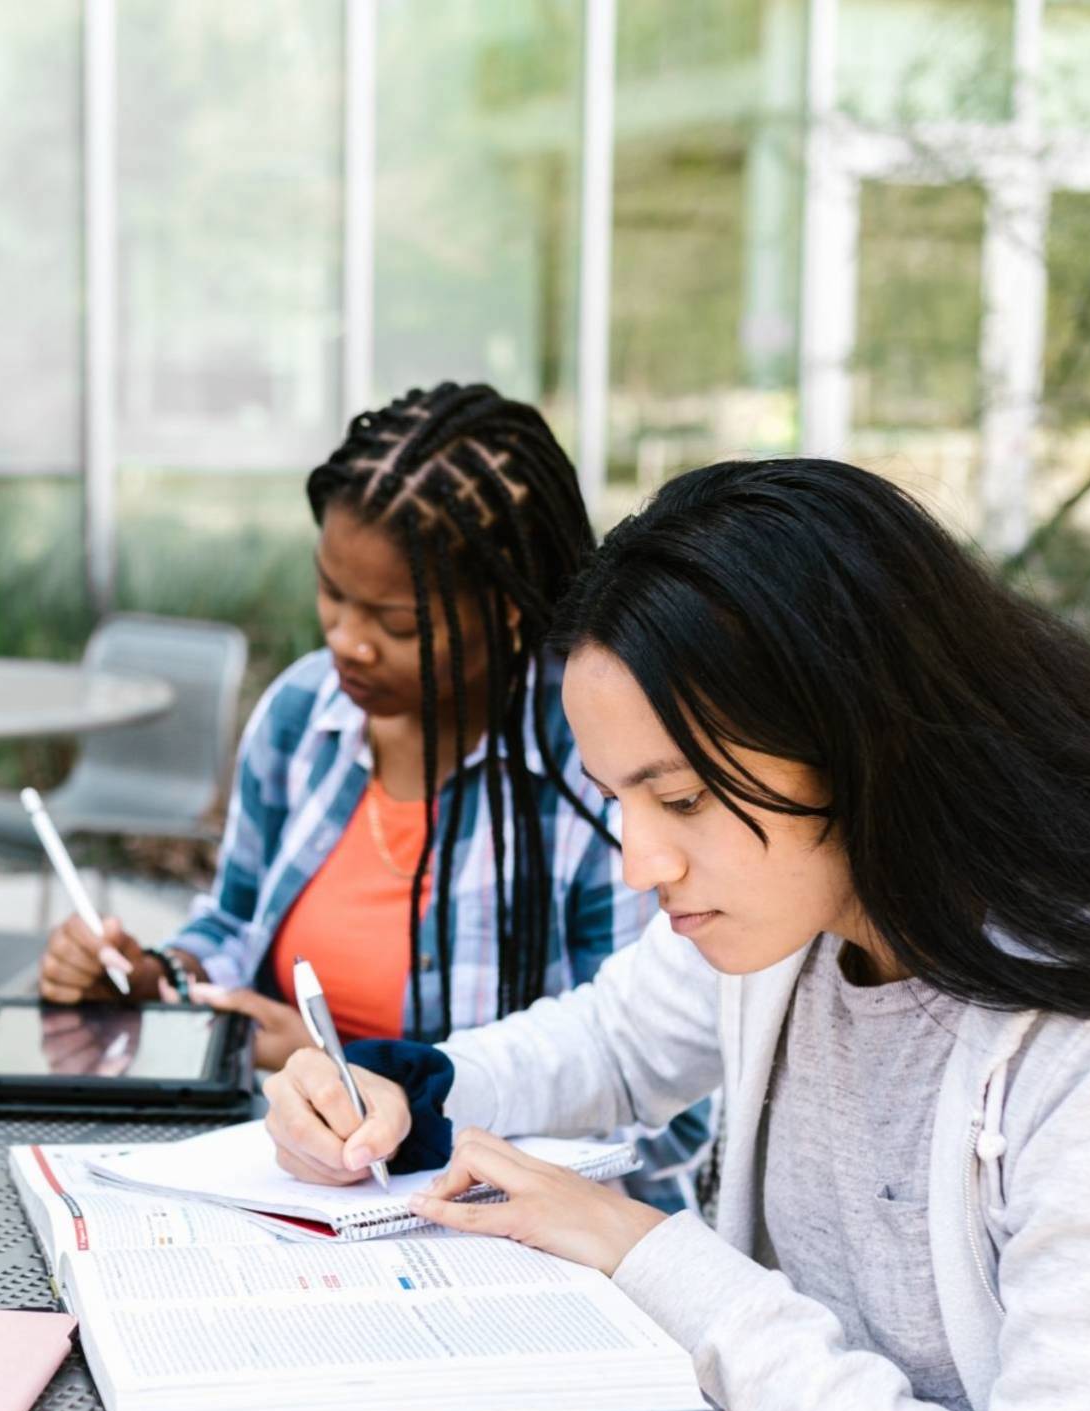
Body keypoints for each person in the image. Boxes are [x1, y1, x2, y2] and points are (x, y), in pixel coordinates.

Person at [260, 458, 1090, 1411]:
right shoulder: (807, 906)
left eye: (684, 796)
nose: (644, 858)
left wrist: (651, 1253)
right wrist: (400, 1086)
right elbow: (612, 1040)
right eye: (620, 796)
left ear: (861, 731)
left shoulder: (1079, 1047)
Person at [38, 381, 705, 1205]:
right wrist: (158, 979)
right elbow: (237, 923)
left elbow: (655, 1087)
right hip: (298, 1190)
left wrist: (361, 1072)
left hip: (514, 1227)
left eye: (395, 623)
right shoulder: (300, 717)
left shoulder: (592, 760)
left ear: (503, 609)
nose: (347, 641)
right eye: (332, 594)